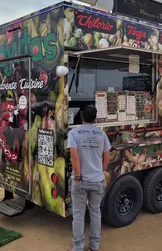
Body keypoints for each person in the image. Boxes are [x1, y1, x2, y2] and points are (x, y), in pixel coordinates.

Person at [67, 105, 111, 251]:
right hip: (97, 180)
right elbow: (107, 156)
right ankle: (94, 245)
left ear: (82, 117)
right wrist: (101, 170)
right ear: (95, 118)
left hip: (80, 181)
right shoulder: (101, 134)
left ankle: (78, 247)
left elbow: (74, 156)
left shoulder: (74, 133)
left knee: (79, 214)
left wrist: (78, 176)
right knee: (95, 212)